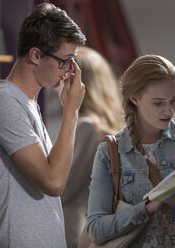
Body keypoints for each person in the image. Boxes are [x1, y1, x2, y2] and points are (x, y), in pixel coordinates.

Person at [0, 3, 86, 247]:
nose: (68, 72)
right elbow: (53, 182)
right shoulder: (3, 102)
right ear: (35, 55)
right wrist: (71, 112)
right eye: (65, 61)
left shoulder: (27, 103)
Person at [86, 55, 175, 248]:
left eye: (173, 100)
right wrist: (146, 209)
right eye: (158, 103)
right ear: (134, 98)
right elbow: (96, 229)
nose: (169, 111)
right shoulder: (110, 151)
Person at [59, 46, 124, 248]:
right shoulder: (113, 126)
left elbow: (63, 187)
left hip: (78, 231)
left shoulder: (87, 126)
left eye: (64, 77)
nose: (57, 85)